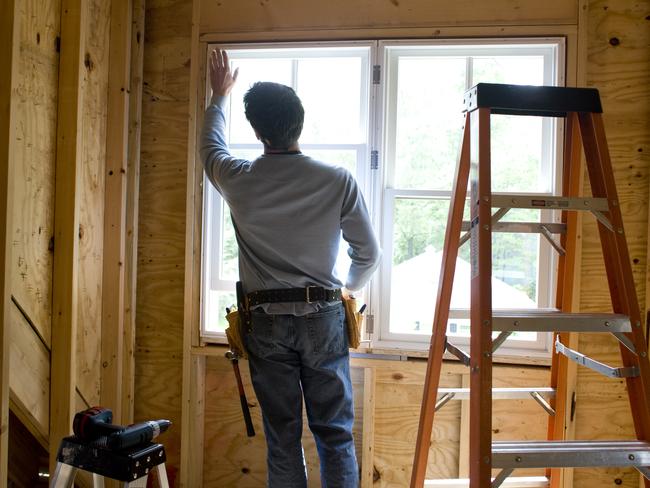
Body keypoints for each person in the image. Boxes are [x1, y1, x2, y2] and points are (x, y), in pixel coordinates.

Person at [200, 49, 381, 488]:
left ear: (258, 132)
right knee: (335, 435)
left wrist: (219, 95)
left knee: (282, 439)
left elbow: (210, 146)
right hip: (323, 317)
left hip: (265, 321)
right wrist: (347, 290)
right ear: (300, 123)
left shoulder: (239, 179)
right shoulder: (337, 180)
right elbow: (368, 255)